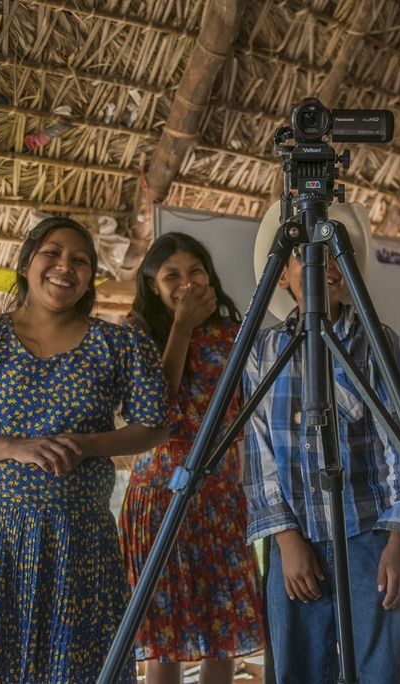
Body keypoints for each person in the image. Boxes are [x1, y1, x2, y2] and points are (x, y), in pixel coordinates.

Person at [0, 217, 169, 683]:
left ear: (90, 277)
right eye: (52, 253)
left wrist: (89, 445)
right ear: (28, 262)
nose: (64, 266)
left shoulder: (117, 345)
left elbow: (152, 426)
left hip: (76, 543)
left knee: (74, 671)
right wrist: (14, 447)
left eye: (80, 260)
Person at [243, 201, 400, 684]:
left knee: (382, 669)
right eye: (306, 255)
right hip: (296, 540)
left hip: (370, 536)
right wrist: (285, 540)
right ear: (282, 275)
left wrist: (398, 541)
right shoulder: (261, 351)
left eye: (333, 255)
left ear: (347, 273)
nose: (322, 265)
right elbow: (258, 453)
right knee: (298, 669)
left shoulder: (376, 342)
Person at [119, 233, 263, 684]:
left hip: (220, 499)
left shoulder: (233, 333)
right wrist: (180, 327)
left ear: (210, 275)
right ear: (152, 284)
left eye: (195, 271)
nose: (186, 282)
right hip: (160, 499)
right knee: (165, 638)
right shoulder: (136, 333)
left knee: (221, 633)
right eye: (171, 275)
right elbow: (153, 409)